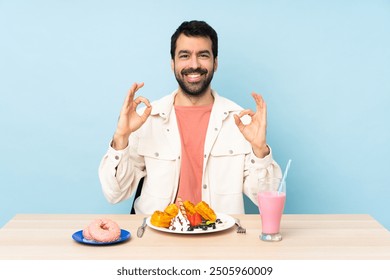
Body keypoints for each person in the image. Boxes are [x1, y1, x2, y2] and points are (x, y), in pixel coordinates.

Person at [99, 20, 282, 214]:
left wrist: (260, 150)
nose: (194, 65)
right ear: (173, 64)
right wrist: (121, 137)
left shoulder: (241, 122)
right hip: (158, 238)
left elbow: (266, 200)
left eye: (203, 55)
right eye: (185, 56)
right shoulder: (148, 119)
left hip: (220, 239)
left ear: (215, 63)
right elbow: (115, 193)